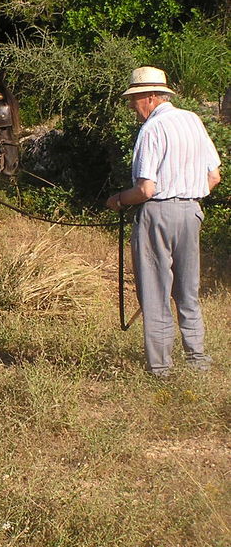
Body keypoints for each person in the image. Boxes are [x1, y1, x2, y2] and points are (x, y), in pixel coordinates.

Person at [106, 66, 222, 377]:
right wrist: (188, 195)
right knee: (188, 290)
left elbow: (146, 189)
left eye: (135, 100)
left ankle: (161, 368)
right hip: (191, 211)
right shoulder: (192, 120)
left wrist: (118, 199)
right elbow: (214, 176)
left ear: (150, 98)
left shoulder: (152, 130)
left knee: (155, 292)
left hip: (158, 213)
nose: (133, 107)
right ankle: (197, 359)